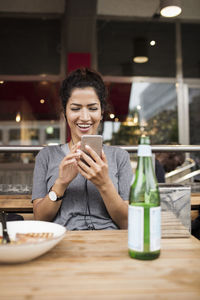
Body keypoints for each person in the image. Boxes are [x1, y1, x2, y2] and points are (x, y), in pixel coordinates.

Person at [32, 68, 133, 230]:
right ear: (64, 112)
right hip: (64, 241)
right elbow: (39, 219)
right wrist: (61, 183)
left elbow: (127, 223)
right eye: (75, 108)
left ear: (101, 113)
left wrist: (104, 183)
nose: (85, 117)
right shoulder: (46, 156)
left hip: (109, 242)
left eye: (92, 108)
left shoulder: (120, 157)